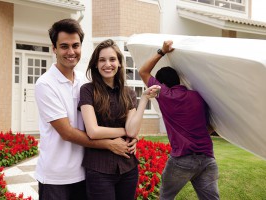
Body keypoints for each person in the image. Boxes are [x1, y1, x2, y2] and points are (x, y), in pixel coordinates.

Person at [34, 19, 137, 200]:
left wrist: (132, 136)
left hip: (84, 171)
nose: (71, 52)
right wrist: (109, 143)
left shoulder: (84, 82)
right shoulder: (45, 84)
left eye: (76, 45)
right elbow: (66, 133)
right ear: (54, 49)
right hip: (57, 176)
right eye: (64, 46)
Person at [78, 39, 160, 200]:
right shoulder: (87, 90)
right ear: (95, 64)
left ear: (120, 63)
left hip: (128, 167)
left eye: (112, 59)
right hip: (99, 168)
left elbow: (134, 128)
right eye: (102, 60)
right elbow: (93, 131)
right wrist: (126, 131)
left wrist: (143, 99)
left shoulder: (128, 93)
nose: (107, 64)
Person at [139, 40, 220, 200]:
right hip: (207, 159)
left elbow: (143, 71)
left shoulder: (165, 95)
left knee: (165, 197)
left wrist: (162, 51)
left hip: (182, 160)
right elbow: (208, 127)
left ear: (161, 85)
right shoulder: (198, 96)